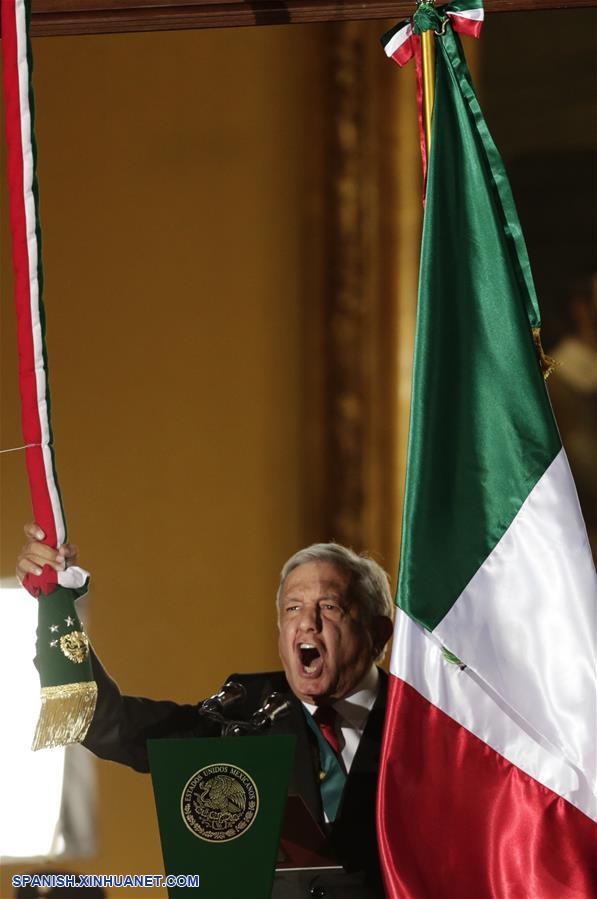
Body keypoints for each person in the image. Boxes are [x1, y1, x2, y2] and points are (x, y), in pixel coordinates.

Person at [18, 524, 394, 898]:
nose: (307, 623)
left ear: (378, 633)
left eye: (329, 607)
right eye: (293, 608)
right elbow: (107, 722)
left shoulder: (427, 720)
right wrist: (56, 602)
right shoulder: (243, 711)